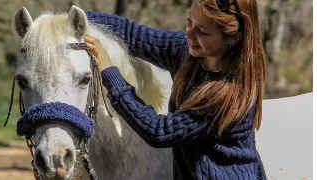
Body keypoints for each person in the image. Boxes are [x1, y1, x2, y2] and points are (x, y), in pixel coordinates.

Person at [84, 0, 267, 179]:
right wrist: (77, 20)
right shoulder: (187, 50)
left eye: (202, 32)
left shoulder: (228, 95)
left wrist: (109, 72)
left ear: (233, 38)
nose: (190, 33)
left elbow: (158, 131)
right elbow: (133, 34)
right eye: (190, 21)